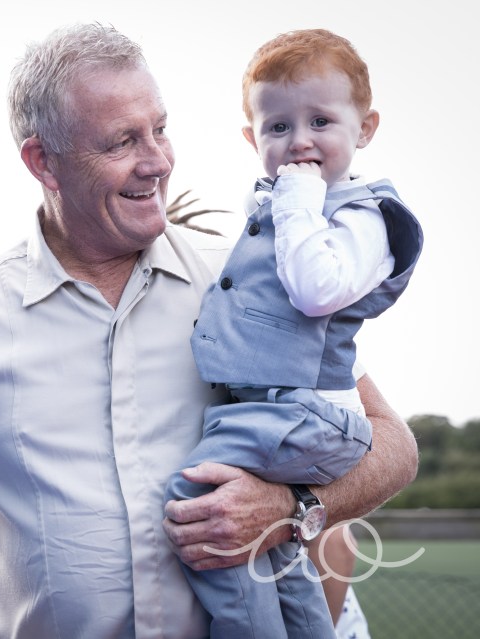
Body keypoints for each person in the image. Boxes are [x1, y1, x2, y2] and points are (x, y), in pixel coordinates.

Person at [0, 23, 419, 638]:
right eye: (122, 141)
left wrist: (290, 507)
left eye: (160, 129)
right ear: (43, 162)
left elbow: (392, 444)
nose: (158, 161)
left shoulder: (246, 277)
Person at [165, 28, 423, 638]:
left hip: (307, 412)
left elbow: (314, 291)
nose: (300, 141)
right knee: (276, 551)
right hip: (283, 410)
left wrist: (298, 194)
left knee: (199, 500)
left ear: (366, 128)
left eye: (320, 121)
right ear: (252, 139)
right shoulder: (288, 216)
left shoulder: (359, 216)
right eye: (278, 127)